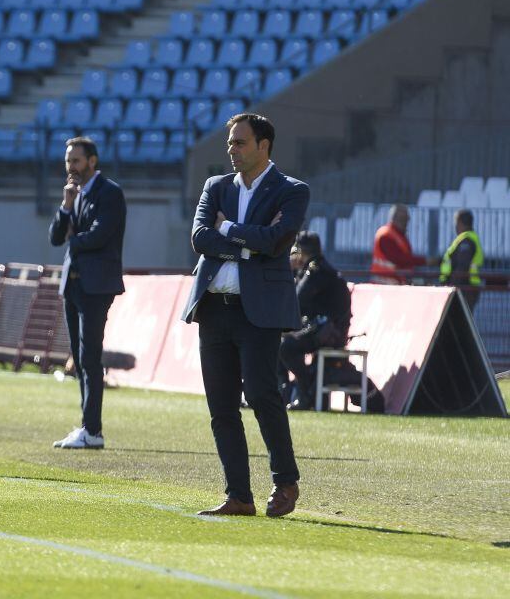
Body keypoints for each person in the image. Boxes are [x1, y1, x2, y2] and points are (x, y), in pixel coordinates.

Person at [181, 113, 309, 518]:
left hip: (259, 313)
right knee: (221, 406)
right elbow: (200, 238)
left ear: (263, 145)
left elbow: (276, 242)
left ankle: (285, 482)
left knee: (261, 395)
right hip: (214, 310)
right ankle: (239, 496)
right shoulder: (215, 186)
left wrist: (230, 230)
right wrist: (248, 240)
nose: (231, 150)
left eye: (239, 142)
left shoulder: (292, 190)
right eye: (230, 143)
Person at [47, 137, 127, 449]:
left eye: (76, 161)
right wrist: (66, 206)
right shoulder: (74, 195)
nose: (71, 168)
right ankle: (86, 425)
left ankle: (93, 431)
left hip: (96, 285)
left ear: (92, 161)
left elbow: (100, 235)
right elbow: (55, 237)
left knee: (90, 355)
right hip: (74, 284)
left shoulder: (110, 193)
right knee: (80, 358)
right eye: (68, 162)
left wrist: (74, 238)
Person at [278, 232, 352, 410]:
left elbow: (297, 299)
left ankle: (307, 391)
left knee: (285, 346)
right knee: (276, 343)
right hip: (321, 328)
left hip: (329, 332)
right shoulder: (317, 268)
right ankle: (283, 394)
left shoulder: (317, 270)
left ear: (301, 252)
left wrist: (293, 270)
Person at [369, 204, 433, 284]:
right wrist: (425, 261)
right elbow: (399, 259)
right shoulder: (386, 235)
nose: (406, 222)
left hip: (395, 283)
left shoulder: (400, 236)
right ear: (394, 218)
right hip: (383, 284)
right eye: (403, 219)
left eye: (406, 219)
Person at [439, 209, 483, 311]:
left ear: (459, 222)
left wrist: (452, 287)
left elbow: (462, 266)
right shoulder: (469, 238)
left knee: (459, 321)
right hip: (465, 289)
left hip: (463, 289)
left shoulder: (466, 241)